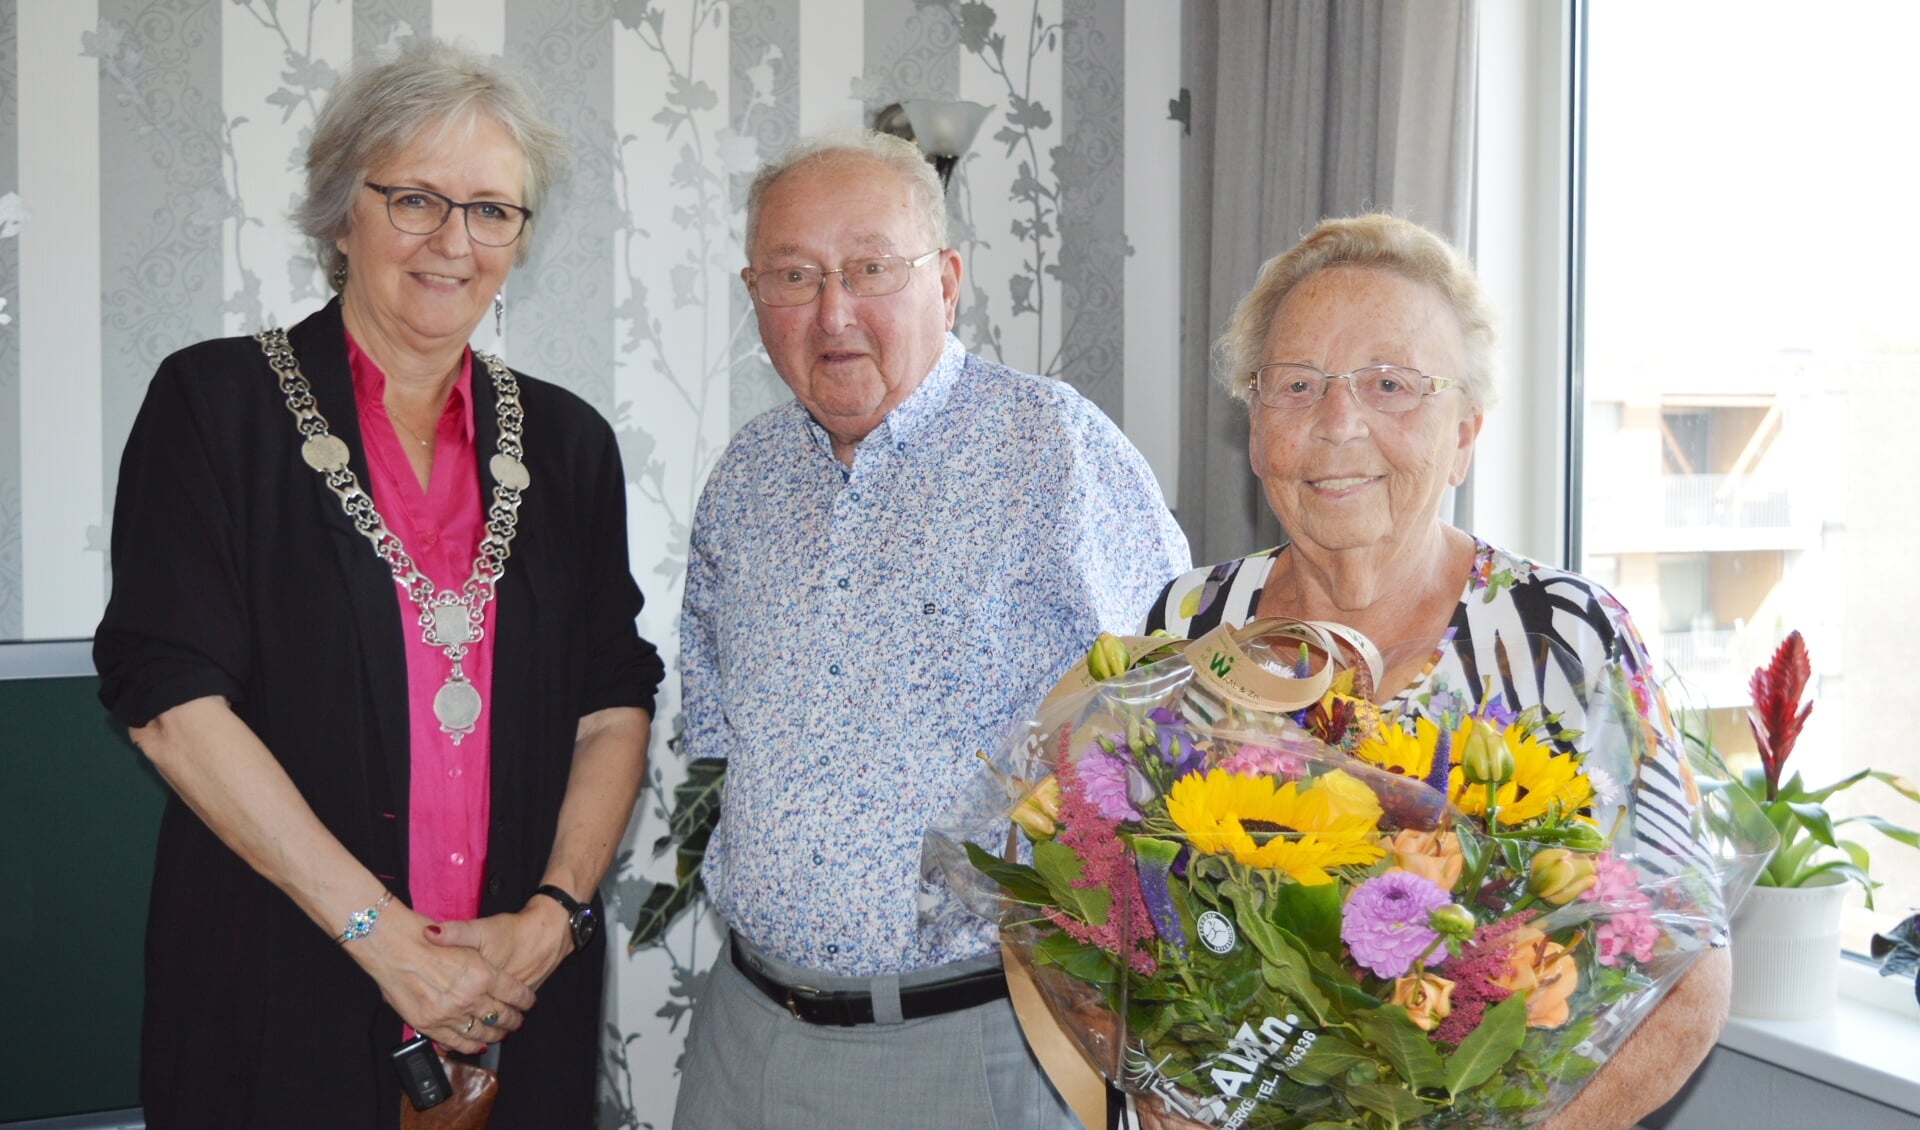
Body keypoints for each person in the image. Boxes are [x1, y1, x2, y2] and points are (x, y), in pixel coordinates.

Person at [92, 40, 663, 1127]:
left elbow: (613, 701)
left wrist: (551, 918)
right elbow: (170, 703)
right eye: (415, 199)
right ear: (341, 209)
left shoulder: (570, 443)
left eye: (493, 210)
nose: (455, 241)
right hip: (277, 1001)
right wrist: (384, 940)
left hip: (517, 1005)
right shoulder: (215, 407)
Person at [1118, 213, 1729, 1130]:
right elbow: (1107, 919)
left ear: (1466, 432)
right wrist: (1156, 1090)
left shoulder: (1564, 635)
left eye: (1391, 384)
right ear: (1255, 429)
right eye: (1296, 385)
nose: (1338, 423)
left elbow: (1688, 971)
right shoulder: (1184, 627)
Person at [671, 130, 1190, 1130]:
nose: (833, 312)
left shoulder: (1058, 451)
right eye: (794, 274)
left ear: (945, 281)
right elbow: (721, 739)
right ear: (754, 293)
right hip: (747, 1038)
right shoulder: (745, 479)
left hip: (979, 1047)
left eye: (871, 268)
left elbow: (1175, 745)